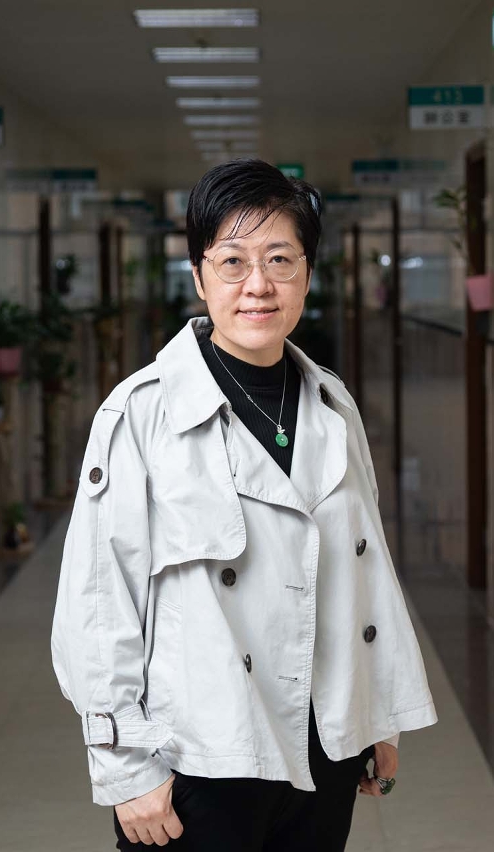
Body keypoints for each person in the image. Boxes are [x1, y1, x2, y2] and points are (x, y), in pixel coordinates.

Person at [51, 159, 437, 851]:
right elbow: (99, 600)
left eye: (280, 259)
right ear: (199, 277)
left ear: (307, 275)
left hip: (325, 746)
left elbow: (364, 572)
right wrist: (124, 768)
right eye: (232, 261)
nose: (258, 284)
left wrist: (377, 716)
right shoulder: (141, 414)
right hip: (201, 754)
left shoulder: (332, 404)